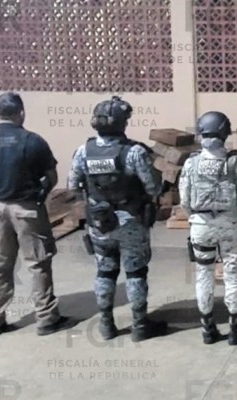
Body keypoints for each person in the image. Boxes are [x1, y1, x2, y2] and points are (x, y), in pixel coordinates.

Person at [68, 95, 167, 343]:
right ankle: (140, 325)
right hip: (131, 221)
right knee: (135, 272)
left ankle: (106, 324)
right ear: (123, 123)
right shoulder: (134, 152)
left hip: (99, 222)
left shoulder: (83, 151)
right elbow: (154, 187)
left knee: (105, 271)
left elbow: (73, 186)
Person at [0, 92, 76, 337]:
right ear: (21, 113)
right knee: (38, 263)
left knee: (0, 264)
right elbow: (52, 176)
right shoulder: (33, 141)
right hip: (27, 209)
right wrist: (41, 195)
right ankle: (46, 318)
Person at [179, 111, 237, 345]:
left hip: (201, 226)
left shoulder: (191, 163)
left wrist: (196, 218)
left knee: (204, 274)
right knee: (232, 273)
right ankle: (235, 329)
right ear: (225, 134)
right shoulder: (234, 162)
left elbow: (184, 201)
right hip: (231, 226)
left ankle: (208, 329)